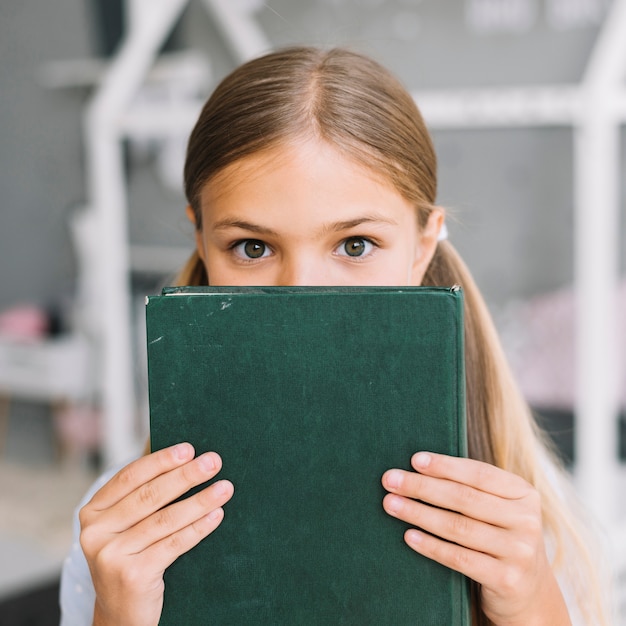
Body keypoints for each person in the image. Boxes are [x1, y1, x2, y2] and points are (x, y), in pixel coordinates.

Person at [60, 46, 611, 625]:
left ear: (424, 246)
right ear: (203, 242)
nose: (300, 291)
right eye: (252, 247)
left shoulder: (521, 514)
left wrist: (532, 607)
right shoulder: (120, 536)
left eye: (355, 245)